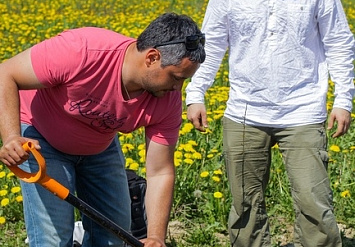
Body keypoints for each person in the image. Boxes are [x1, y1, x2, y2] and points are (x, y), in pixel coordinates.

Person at [0, 12, 205, 247]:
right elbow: (6, 73)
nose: (178, 88)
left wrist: (156, 236)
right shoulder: (83, 51)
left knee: (113, 237)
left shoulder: (167, 100)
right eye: (176, 77)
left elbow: (160, 172)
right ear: (152, 57)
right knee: (53, 240)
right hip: (42, 139)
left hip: (99, 146)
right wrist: (11, 136)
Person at [185, 0, 354, 246]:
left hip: (303, 110)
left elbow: (338, 41)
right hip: (244, 111)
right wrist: (196, 93)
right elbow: (211, 44)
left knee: (313, 199)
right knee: (245, 203)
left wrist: (343, 99)